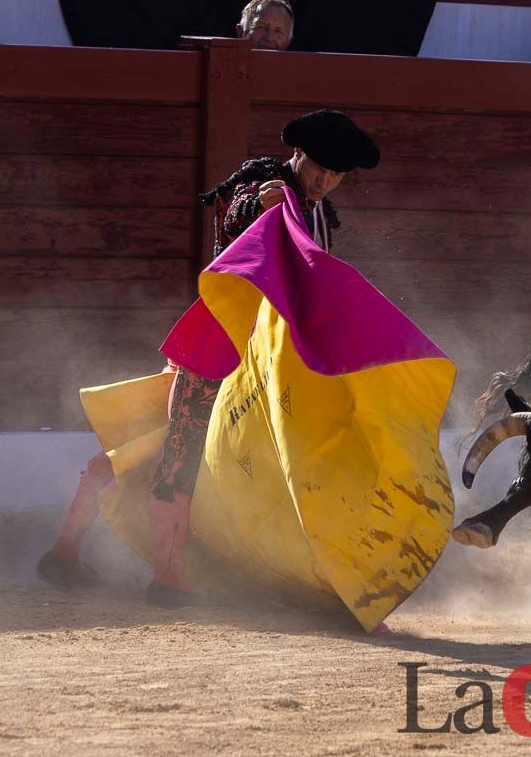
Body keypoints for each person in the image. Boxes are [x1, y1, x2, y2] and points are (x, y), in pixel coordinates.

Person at [37, 110, 380, 606]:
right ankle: (168, 575)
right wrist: (261, 207)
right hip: (220, 344)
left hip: (261, 351)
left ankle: (64, 553)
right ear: (297, 154)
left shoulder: (319, 211)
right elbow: (238, 210)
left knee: (154, 443)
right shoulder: (266, 180)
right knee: (179, 450)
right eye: (317, 167)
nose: (325, 180)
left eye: (337, 174)